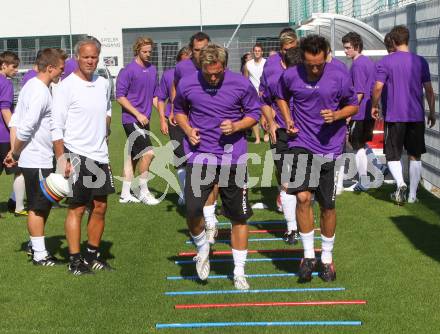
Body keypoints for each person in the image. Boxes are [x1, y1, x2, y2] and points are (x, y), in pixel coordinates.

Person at [174, 44, 261, 290]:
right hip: (199, 155)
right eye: (208, 72)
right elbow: (179, 110)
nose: (212, 77)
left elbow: (254, 112)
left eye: (217, 72)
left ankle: (239, 272)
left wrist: (237, 126)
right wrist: (188, 129)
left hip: (233, 158)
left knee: (238, 217)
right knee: (192, 210)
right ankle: (203, 248)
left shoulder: (240, 83)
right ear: (200, 66)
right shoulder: (188, 83)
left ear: (225, 66)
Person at [276, 35, 358, 282]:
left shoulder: (339, 74)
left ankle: (327, 259)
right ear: (303, 57)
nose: (314, 68)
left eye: (319, 64)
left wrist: (337, 115)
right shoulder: (291, 75)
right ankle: (309, 255)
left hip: (330, 147)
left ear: (326, 56)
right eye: (310, 64)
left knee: (328, 206)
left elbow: (353, 105)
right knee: (302, 197)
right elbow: (280, 96)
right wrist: (287, 118)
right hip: (301, 143)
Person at [52, 37, 114, 275]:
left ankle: (92, 255)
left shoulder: (102, 83)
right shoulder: (66, 86)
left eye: (94, 57)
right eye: (86, 56)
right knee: (77, 208)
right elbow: (56, 126)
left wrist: (105, 127)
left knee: (99, 207)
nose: (90, 61)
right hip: (75, 154)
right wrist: (62, 158)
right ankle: (75, 260)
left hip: (100, 155)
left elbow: (108, 108)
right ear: (77, 57)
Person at [4, 48, 67, 265]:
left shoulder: (30, 85)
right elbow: (26, 126)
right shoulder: (40, 91)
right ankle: (40, 255)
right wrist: (16, 152)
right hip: (37, 158)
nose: (62, 72)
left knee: (42, 205)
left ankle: (35, 246)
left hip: (35, 158)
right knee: (38, 207)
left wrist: (15, 152)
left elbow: (15, 121)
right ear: (50, 68)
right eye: (60, 69)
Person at [371, 25, 436, 204]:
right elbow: (429, 91)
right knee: (415, 155)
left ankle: (400, 183)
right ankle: (413, 195)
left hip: (395, 116)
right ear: (408, 39)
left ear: (393, 41)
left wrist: (374, 105)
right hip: (416, 116)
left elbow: (377, 87)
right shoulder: (420, 61)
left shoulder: (385, 62)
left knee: (393, 154)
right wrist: (432, 112)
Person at [172, 32, 218, 245]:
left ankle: (210, 218)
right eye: (197, 50)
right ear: (191, 50)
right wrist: (176, 111)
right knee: (200, 175)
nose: (202, 54)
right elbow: (175, 87)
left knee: (215, 177)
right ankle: (207, 220)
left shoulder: (218, 63)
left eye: (205, 49)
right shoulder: (182, 68)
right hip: (192, 130)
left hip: (216, 130)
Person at [260, 39, 301, 245]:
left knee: (304, 187)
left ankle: (300, 222)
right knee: (287, 181)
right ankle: (292, 228)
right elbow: (264, 100)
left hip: (306, 135)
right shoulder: (274, 76)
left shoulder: (310, 76)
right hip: (282, 133)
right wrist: (271, 122)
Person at [116, 37, 160, 205]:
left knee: (132, 157)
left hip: (144, 121)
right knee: (149, 154)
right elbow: (120, 96)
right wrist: (137, 114)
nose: (148, 54)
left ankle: (125, 194)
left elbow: (155, 96)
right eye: (144, 52)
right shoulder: (128, 71)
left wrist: (164, 115)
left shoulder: (153, 69)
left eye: (150, 51)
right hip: (131, 119)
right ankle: (144, 192)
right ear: (137, 51)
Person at [157, 46, 191, 205]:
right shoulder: (169, 75)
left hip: (195, 120)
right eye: (183, 61)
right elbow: (160, 98)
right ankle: (184, 193)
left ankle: (199, 193)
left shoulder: (197, 73)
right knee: (180, 156)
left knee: (197, 157)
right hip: (174, 121)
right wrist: (162, 120)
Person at [342, 32, 376, 191]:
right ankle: (376, 168)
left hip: (360, 112)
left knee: (357, 146)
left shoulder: (358, 64)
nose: (345, 51)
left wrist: (349, 113)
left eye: (348, 48)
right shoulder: (367, 62)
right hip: (366, 110)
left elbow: (359, 93)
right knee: (359, 144)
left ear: (357, 46)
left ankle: (364, 180)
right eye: (345, 48)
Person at [0, 51, 27, 217]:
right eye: (14, 66)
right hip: (3, 135)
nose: (16, 70)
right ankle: (18, 207)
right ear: (3, 65)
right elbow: (5, 109)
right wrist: (14, 130)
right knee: (20, 170)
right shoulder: (6, 83)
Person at [244, 43, 266, 144]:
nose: (257, 52)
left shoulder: (266, 63)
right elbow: (245, 79)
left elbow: (269, 77)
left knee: (264, 114)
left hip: (264, 92)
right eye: (255, 51)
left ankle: (266, 133)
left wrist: (264, 90)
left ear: (262, 52)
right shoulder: (248, 64)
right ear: (253, 52)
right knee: (254, 115)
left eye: (259, 51)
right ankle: (257, 138)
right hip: (252, 93)